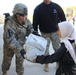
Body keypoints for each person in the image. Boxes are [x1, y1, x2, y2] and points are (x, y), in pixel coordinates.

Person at [32, 0, 66, 72]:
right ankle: (46, 63)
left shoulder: (56, 7)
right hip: (44, 33)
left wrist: (62, 29)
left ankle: (58, 63)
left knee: (57, 49)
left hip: (55, 32)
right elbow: (35, 22)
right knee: (45, 50)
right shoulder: (38, 8)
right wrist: (35, 33)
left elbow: (63, 18)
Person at [2, 3, 33, 75]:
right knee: (7, 60)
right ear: (16, 14)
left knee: (20, 62)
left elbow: (30, 29)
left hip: (21, 45)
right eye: (22, 15)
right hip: (9, 47)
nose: (24, 17)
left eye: (25, 15)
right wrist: (20, 49)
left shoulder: (26, 21)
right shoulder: (9, 22)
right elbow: (10, 40)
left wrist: (33, 33)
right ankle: (4, 72)